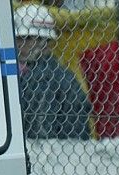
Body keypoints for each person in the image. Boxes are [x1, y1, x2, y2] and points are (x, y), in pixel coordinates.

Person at [14, 4, 92, 139]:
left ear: (45, 42)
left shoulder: (45, 80)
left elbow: (40, 132)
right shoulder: (27, 74)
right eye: (19, 38)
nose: (21, 44)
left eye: (27, 38)